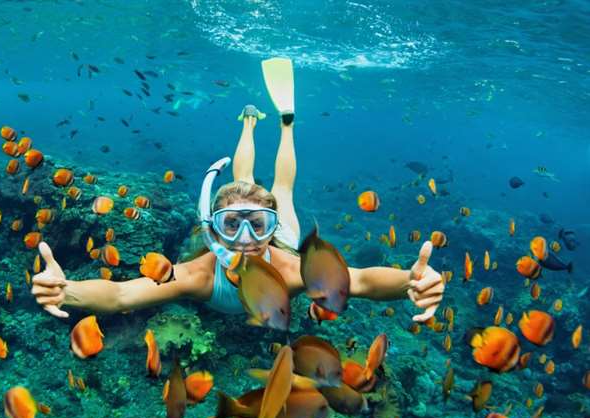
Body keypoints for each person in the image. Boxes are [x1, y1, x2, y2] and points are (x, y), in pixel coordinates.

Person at [31, 58, 444, 322]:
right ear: (214, 230)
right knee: (243, 182)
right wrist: (68, 291)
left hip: (284, 242)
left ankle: (286, 124)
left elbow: (362, 282)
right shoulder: (198, 274)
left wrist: (410, 281)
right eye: (232, 225)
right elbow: (122, 295)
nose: (246, 239)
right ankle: (247, 124)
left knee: (282, 187)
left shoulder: (290, 267)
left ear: (270, 227)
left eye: (256, 224)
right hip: (249, 230)